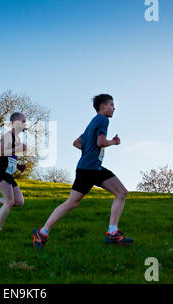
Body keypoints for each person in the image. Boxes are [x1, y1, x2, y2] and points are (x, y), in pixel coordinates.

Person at [32, 94, 133, 248]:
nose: (114, 108)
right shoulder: (102, 120)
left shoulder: (91, 124)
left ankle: (43, 232)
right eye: (111, 105)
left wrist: (88, 152)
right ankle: (112, 233)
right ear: (103, 106)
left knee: (74, 202)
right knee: (119, 193)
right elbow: (100, 142)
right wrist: (113, 142)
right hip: (91, 169)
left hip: (89, 168)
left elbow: (76, 142)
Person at [0, 112, 27, 232]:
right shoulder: (8, 135)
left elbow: (8, 156)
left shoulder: (16, 138)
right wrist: (17, 148)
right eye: (23, 121)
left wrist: (18, 165)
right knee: (9, 202)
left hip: (8, 173)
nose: (25, 124)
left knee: (19, 202)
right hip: (1, 172)